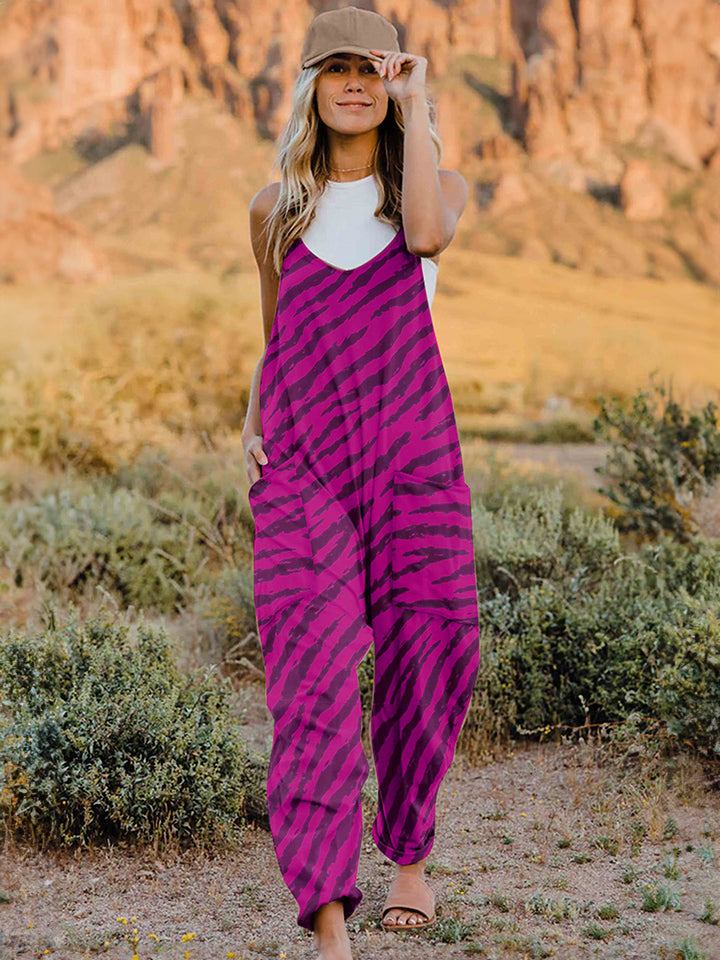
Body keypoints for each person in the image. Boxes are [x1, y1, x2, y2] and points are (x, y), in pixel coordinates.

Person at [242, 7, 480, 959]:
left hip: (411, 452)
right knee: (312, 677)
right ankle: (329, 915)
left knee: (433, 645)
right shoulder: (275, 208)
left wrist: (418, 103)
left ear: (392, 81)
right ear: (309, 86)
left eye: (369, 69)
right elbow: (275, 336)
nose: (353, 84)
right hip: (305, 464)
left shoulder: (435, 187)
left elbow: (424, 238)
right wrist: (249, 422)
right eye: (333, 68)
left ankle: (409, 856)